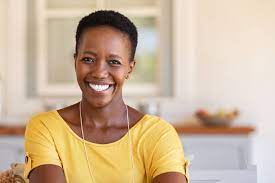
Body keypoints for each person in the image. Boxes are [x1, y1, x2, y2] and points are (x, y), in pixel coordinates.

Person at [24, 10, 189, 183]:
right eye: (88, 59)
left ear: (130, 68)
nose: (99, 73)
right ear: (75, 61)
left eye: (114, 62)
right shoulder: (46, 128)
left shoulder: (158, 134)